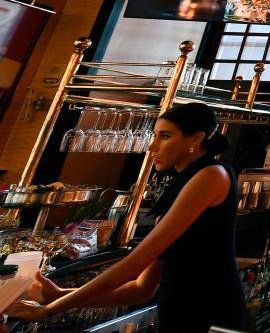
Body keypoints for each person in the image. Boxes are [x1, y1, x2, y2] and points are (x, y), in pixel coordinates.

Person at [8, 103, 248, 332]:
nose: (151, 146)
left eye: (164, 136)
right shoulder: (181, 182)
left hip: (215, 316)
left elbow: (134, 265)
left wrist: (49, 310)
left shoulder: (212, 175)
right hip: (179, 316)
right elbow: (141, 289)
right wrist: (59, 294)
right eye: (154, 136)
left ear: (196, 139)